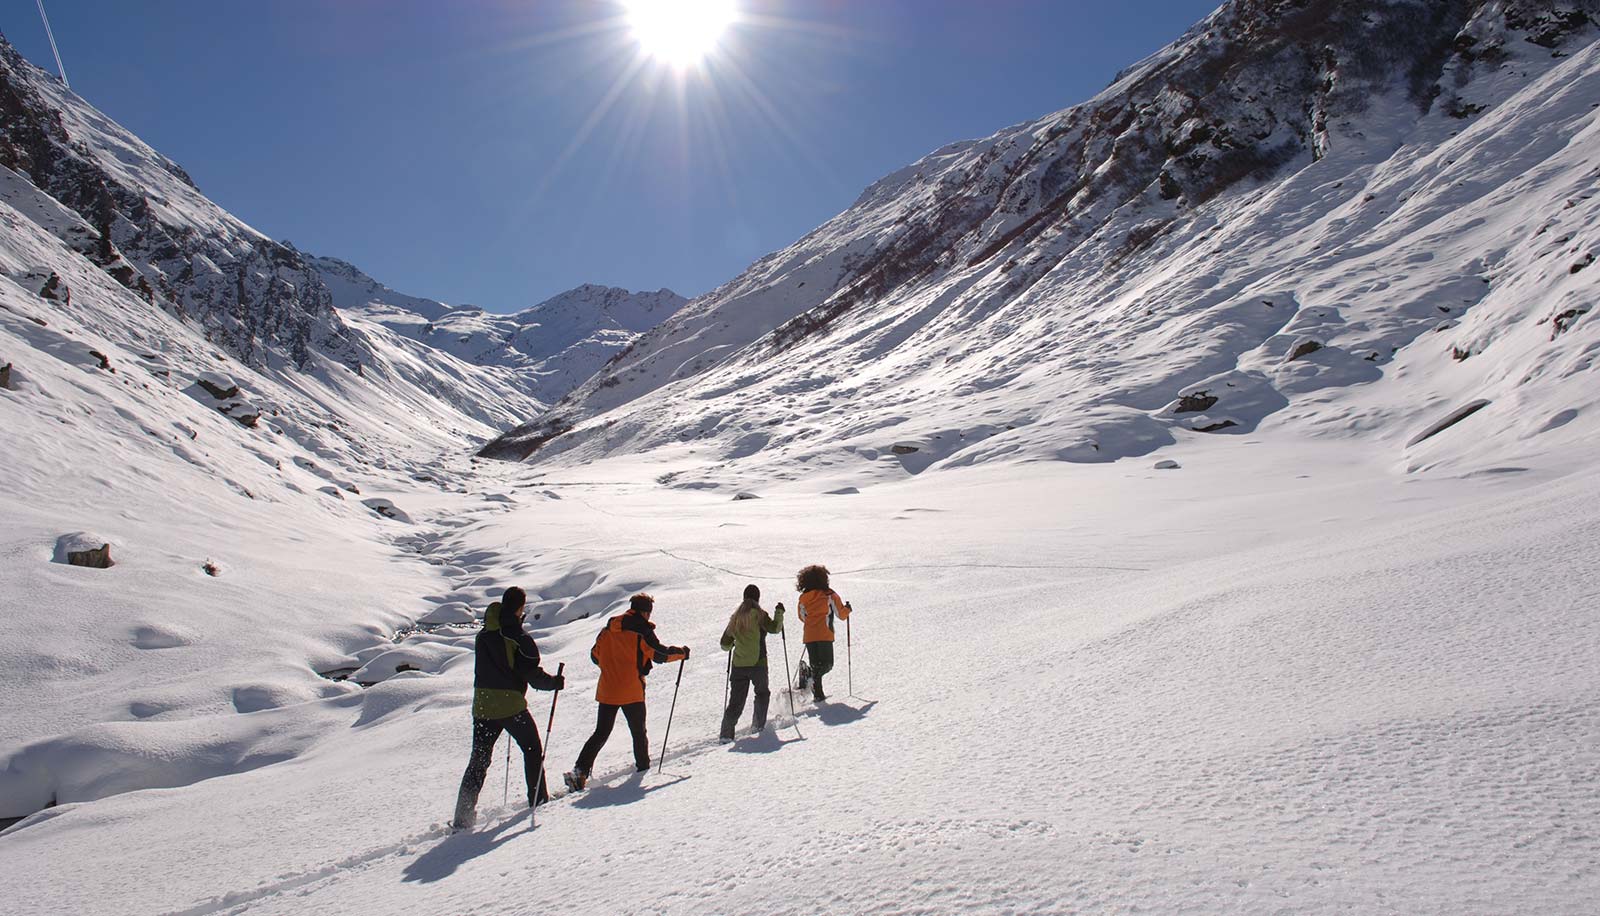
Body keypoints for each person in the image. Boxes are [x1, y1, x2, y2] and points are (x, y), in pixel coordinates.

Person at [452, 586, 565, 830]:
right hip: (510, 705)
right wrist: (554, 683)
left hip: (482, 705)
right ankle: (538, 799)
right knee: (532, 748)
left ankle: (462, 818)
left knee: (479, 761)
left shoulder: (483, 634)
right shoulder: (517, 637)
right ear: (520, 608)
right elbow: (531, 673)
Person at [564, 593, 689, 790]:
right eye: (648, 612)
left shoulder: (609, 629)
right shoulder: (642, 631)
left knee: (601, 732)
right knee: (638, 732)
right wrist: (682, 653)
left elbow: (595, 655)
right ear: (645, 611)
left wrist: (612, 666)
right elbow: (659, 654)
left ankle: (579, 772)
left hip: (607, 689)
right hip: (631, 690)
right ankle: (643, 769)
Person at [719, 584, 784, 741]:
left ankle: (726, 735)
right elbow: (775, 628)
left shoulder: (736, 618)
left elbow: (724, 644)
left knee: (736, 702)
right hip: (758, 663)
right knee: (762, 694)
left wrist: (736, 643)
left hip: (739, 665)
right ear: (758, 598)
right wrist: (779, 613)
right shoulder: (760, 615)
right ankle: (757, 727)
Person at [794, 564, 850, 701]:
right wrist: (848, 609)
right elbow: (841, 614)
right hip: (824, 634)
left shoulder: (803, 598)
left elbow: (801, 616)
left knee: (816, 664)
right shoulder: (830, 595)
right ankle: (809, 677)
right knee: (827, 664)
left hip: (809, 635)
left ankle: (818, 693)